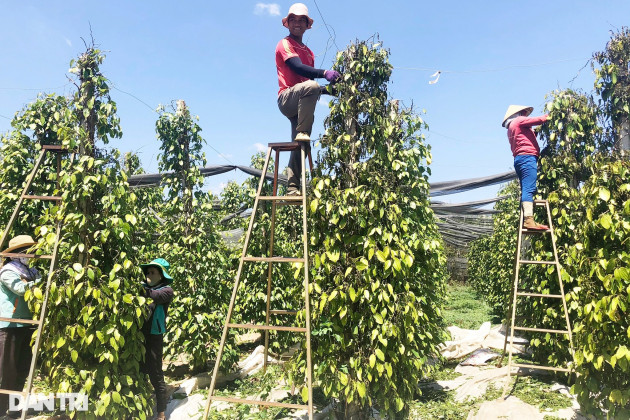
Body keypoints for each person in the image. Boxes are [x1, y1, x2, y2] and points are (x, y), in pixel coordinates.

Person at [275, 2, 341, 195]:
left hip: (302, 101)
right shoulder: (284, 44)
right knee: (303, 133)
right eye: (293, 20)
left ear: (307, 25)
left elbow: (310, 87)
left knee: (301, 142)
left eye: (301, 20)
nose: (297, 23)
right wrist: (325, 72)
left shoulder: (309, 52)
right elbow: (296, 67)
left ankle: (293, 187)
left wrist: (329, 90)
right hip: (287, 99)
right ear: (287, 24)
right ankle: (303, 131)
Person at [0, 235, 41, 418]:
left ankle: (13, 409)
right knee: (7, 369)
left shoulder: (31, 271)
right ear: (15, 254)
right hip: (10, 325)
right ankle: (1, 409)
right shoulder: (8, 271)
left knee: (23, 367)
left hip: (28, 323)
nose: (29, 255)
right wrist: (42, 283)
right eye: (25, 251)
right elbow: (21, 289)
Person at [502, 105, 550, 230]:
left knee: (526, 188)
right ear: (518, 114)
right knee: (529, 189)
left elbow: (526, 136)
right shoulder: (518, 121)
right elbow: (539, 120)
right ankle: (529, 220)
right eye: (523, 113)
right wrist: (550, 116)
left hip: (519, 159)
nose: (525, 115)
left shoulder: (511, 128)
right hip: (527, 158)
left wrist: (537, 132)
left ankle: (526, 218)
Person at [139, 258, 174, 420]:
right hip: (139, 336)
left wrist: (137, 289)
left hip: (154, 336)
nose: (148, 274)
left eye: (153, 272)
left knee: (155, 372)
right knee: (138, 370)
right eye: (148, 271)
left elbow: (153, 295)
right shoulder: (143, 288)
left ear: (161, 275)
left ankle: (161, 413)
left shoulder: (166, 291)